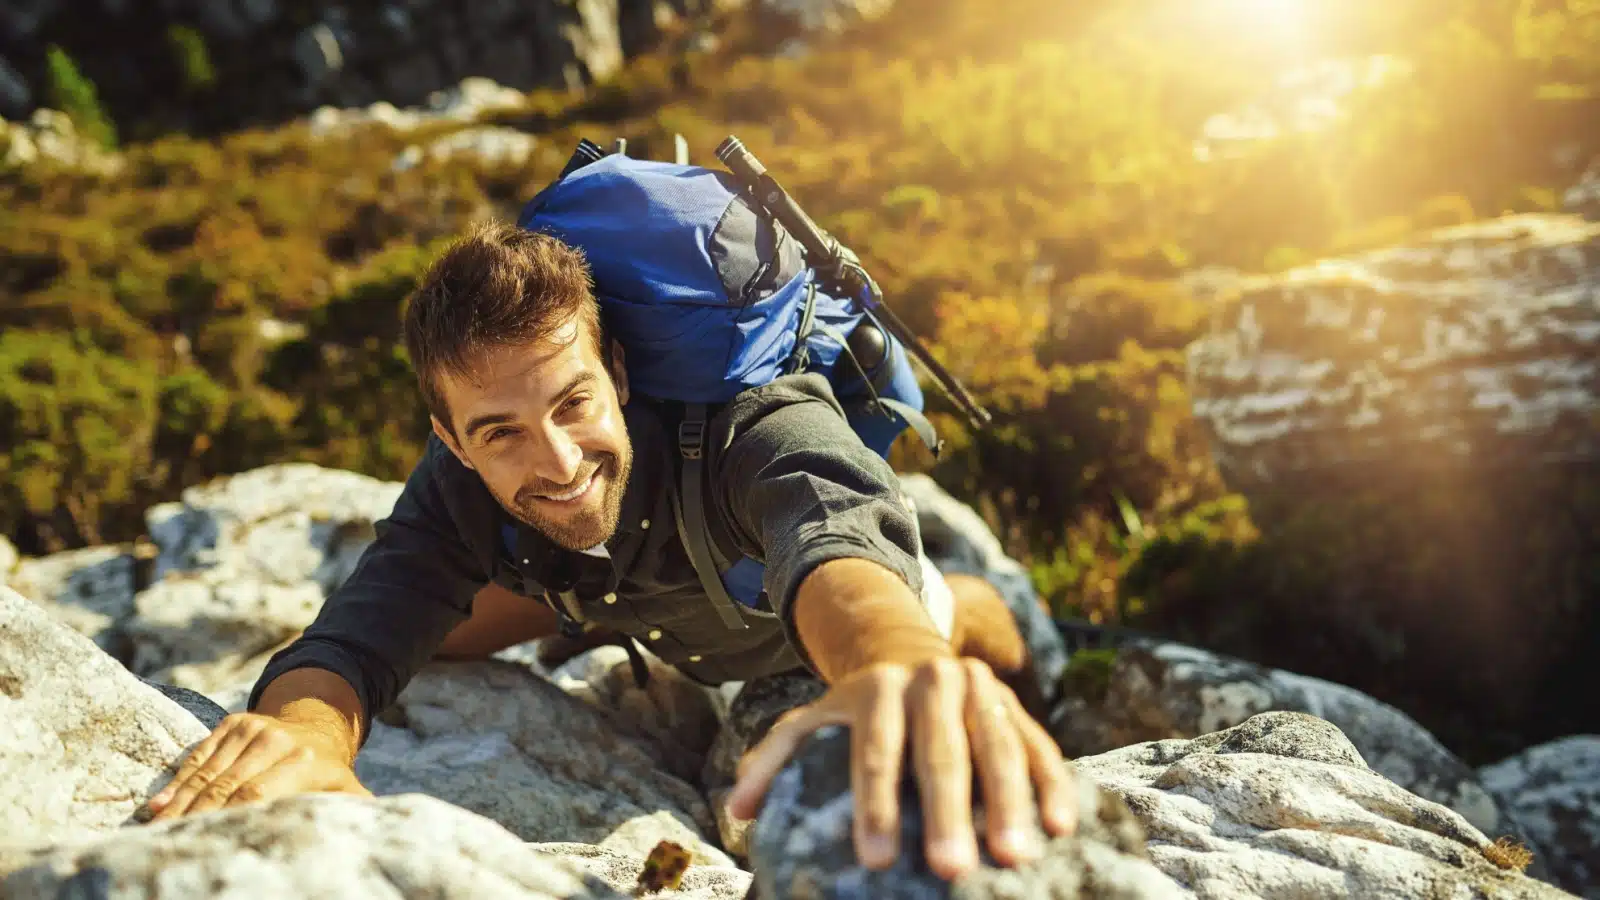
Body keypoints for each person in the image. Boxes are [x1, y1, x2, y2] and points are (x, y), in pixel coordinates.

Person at [145, 221, 1077, 880]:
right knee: (440, 634)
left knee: (927, 631)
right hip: (623, 598)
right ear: (451, 439)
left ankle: (994, 611)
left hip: (800, 624)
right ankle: (591, 612)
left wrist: (898, 662)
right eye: (499, 432)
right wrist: (307, 736)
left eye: (573, 403)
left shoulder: (749, 423)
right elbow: (354, 635)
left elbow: (835, 532)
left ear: (617, 372)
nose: (556, 461)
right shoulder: (455, 486)